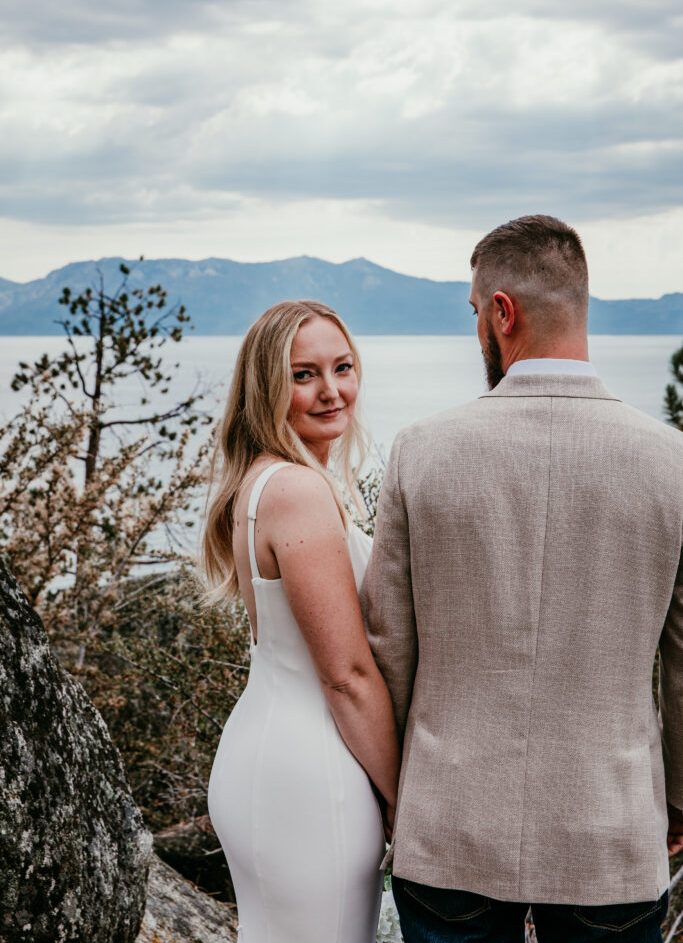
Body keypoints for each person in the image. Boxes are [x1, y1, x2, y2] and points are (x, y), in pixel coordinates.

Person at [361, 214, 683, 943]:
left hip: (450, 830)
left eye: (475, 312)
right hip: (610, 829)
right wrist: (680, 799)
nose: (476, 329)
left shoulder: (421, 451)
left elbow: (389, 649)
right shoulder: (672, 463)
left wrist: (396, 794)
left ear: (502, 313)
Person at [201, 299, 399, 943]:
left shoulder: (265, 481)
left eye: (343, 367)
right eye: (303, 375)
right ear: (266, 387)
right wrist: (402, 795)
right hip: (311, 775)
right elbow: (346, 675)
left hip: (271, 754)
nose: (332, 391)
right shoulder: (297, 490)